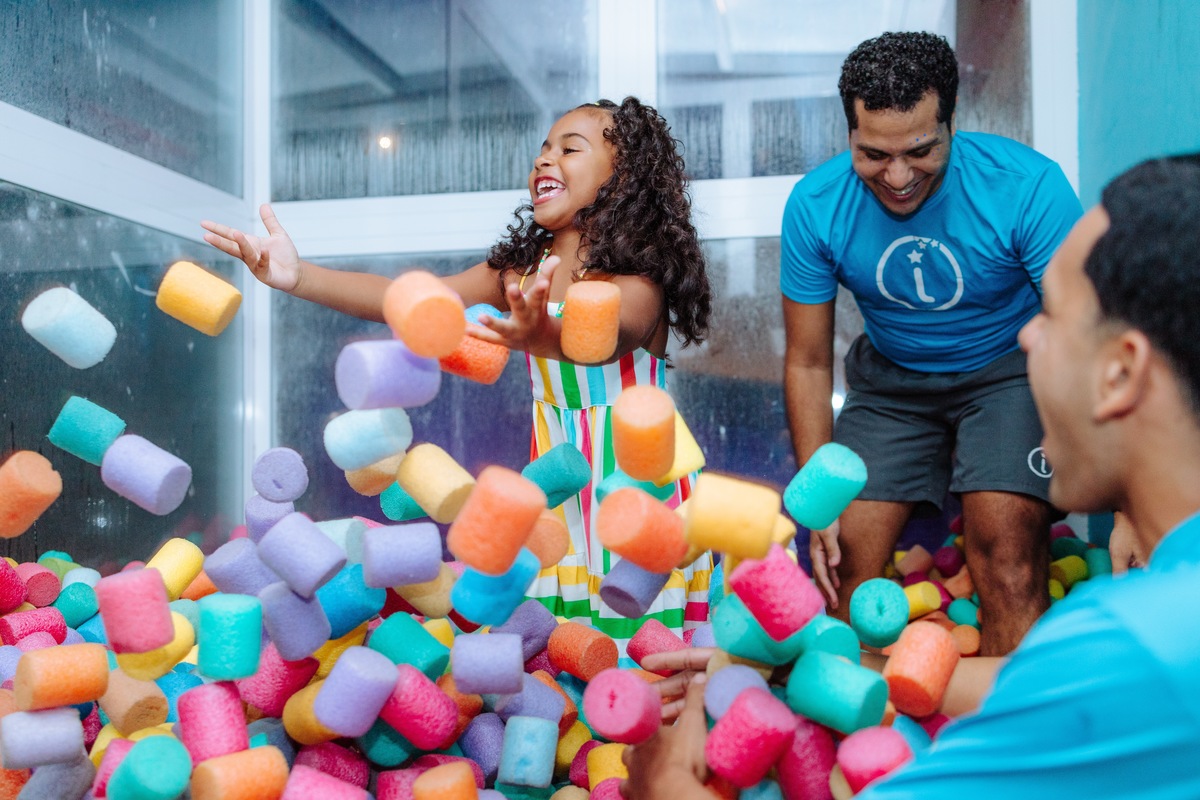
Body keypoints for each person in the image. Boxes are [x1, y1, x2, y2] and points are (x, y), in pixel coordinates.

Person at [626, 154, 1200, 798]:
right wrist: (803, 669)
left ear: (1121, 372)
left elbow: (1090, 673)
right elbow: (1027, 682)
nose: (1028, 338)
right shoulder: (1144, 632)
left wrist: (667, 778)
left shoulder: (1135, 642)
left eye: (1054, 316)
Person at [201, 97, 714, 656]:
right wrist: (299, 277)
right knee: (565, 651)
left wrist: (534, 336)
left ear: (625, 177)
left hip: (637, 486)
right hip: (557, 486)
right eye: (543, 148)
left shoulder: (640, 277)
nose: (546, 160)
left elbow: (608, 340)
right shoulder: (520, 271)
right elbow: (412, 300)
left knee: (642, 650)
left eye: (570, 148)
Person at [780, 31, 1083, 655]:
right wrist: (817, 502)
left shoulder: (1027, 188)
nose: (896, 177)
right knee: (840, 567)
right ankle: (856, 744)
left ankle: (1007, 740)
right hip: (891, 385)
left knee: (1005, 557)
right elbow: (808, 363)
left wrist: (1130, 498)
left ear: (951, 123)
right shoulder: (815, 206)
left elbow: (1091, 338)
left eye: (920, 151)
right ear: (850, 136)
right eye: (872, 155)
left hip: (1011, 374)